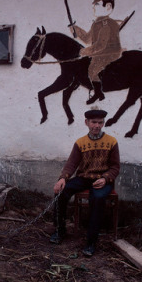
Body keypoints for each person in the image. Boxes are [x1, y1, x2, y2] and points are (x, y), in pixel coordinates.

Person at [51, 109, 120, 257]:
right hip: (84, 178)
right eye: (93, 122)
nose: (96, 125)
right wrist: (63, 178)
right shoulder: (80, 143)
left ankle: (91, 241)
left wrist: (105, 178)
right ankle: (60, 230)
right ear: (86, 123)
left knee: (98, 198)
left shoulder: (112, 142)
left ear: (103, 123)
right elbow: (71, 164)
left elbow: (115, 167)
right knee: (61, 191)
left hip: (102, 180)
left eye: (100, 122)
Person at [70, 0, 124, 104]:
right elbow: (88, 39)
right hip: (100, 52)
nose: (93, 7)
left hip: (109, 53)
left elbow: (100, 45)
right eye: (94, 5)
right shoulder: (97, 23)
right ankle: (97, 92)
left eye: (97, 5)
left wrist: (84, 52)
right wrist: (75, 29)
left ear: (108, 7)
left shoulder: (107, 24)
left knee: (93, 70)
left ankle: (98, 94)